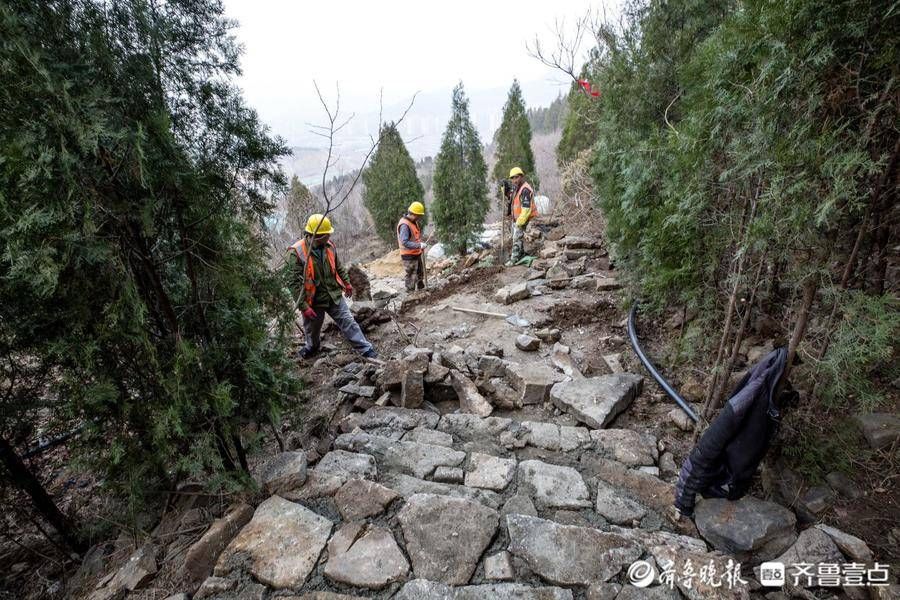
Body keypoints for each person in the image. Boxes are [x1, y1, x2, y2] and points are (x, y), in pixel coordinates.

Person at [671, 347, 798, 521]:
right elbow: (705, 451)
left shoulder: (763, 388)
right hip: (720, 484)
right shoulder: (753, 393)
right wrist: (683, 503)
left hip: (733, 480)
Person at [287, 214, 377, 359]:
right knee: (312, 330)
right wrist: (304, 306)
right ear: (316, 235)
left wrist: (347, 283)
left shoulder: (330, 245)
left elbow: (338, 266)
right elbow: (293, 283)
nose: (329, 235)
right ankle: (312, 347)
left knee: (348, 321)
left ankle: (366, 349)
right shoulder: (297, 252)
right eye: (326, 233)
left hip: (333, 294)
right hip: (314, 301)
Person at [506, 166, 537, 266]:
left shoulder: (525, 190)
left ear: (521, 177)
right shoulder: (517, 188)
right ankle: (521, 254)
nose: (514, 180)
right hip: (518, 218)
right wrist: (504, 188)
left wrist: (518, 223)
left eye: (516, 177)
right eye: (512, 178)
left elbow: (526, 210)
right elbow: (511, 196)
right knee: (516, 236)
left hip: (526, 218)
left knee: (516, 237)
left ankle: (514, 259)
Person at [397, 201, 427, 292]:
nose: (420, 218)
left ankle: (421, 291)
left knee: (419, 274)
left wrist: (420, 245)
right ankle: (410, 296)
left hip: (416, 253)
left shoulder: (413, 221)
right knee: (411, 277)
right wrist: (418, 245)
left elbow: (415, 236)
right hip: (408, 256)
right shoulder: (405, 225)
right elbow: (405, 242)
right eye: (419, 216)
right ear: (414, 214)